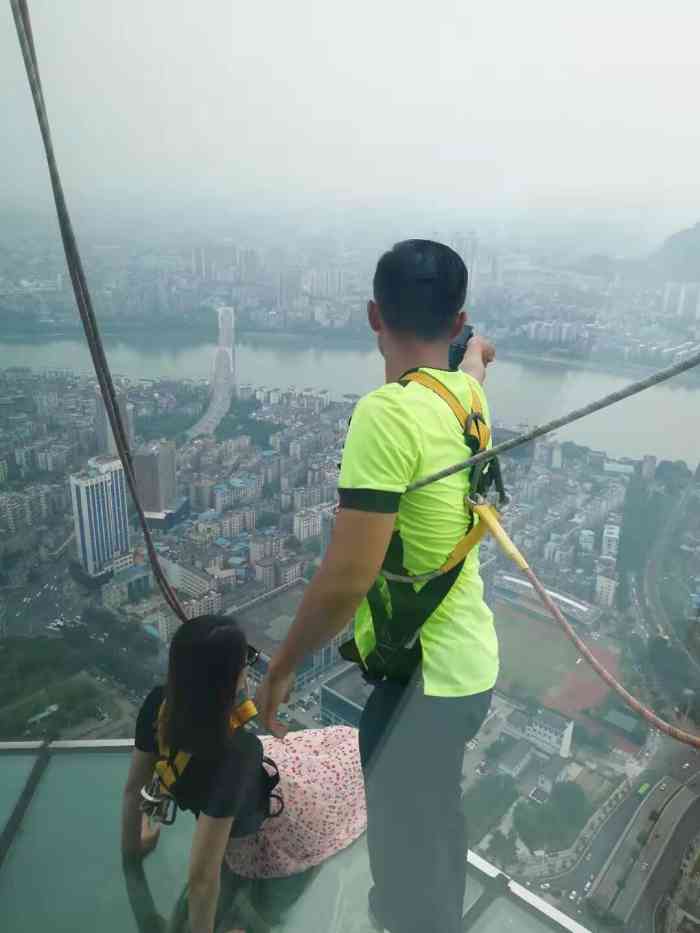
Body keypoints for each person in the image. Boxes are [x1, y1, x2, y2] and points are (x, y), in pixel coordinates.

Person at [256, 239, 498, 933]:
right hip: (469, 663)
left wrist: (280, 667)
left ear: (373, 315)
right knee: (435, 819)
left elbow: (347, 576)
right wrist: (477, 349)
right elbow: (478, 362)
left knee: (403, 853)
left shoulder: (386, 414)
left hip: (425, 684)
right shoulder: (468, 399)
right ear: (454, 323)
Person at [121, 615, 365, 933]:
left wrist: (132, 851)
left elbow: (132, 790)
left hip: (251, 810)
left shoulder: (159, 705)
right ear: (234, 678)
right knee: (264, 916)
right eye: (246, 659)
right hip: (284, 834)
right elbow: (202, 879)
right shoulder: (234, 752)